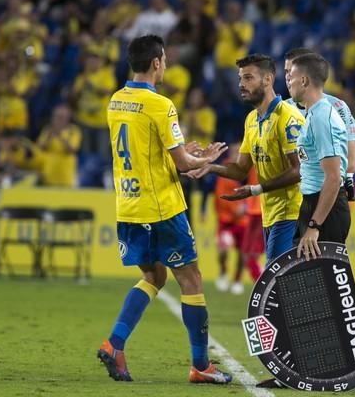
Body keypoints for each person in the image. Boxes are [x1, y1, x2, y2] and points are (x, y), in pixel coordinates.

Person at [98, 34, 231, 385]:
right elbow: (183, 164)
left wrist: (181, 154)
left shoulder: (116, 101)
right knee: (192, 279)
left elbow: (147, 151)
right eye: (165, 60)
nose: (167, 66)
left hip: (129, 207)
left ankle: (114, 344)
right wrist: (204, 158)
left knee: (154, 276)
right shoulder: (161, 105)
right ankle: (201, 365)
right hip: (161, 208)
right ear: (157, 62)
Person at [184, 53, 304, 265]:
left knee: (274, 281)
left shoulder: (288, 117)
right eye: (240, 79)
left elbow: (298, 170)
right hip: (271, 213)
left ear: (267, 79)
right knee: (282, 284)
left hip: (293, 214)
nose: (241, 84)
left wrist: (256, 189)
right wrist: (210, 166)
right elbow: (240, 169)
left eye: (248, 78)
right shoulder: (251, 119)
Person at [286, 53, 351, 259]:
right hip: (314, 204)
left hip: (325, 210)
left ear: (304, 80)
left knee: (326, 285)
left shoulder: (322, 118)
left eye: (291, 77)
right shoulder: (314, 114)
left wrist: (315, 225)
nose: (288, 82)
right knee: (309, 285)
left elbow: (333, 177)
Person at [283, 48, 355, 202]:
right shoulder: (281, 110)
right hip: (288, 200)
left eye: (292, 71)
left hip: (325, 196)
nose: (288, 77)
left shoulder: (337, 107)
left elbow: (350, 163)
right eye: (286, 72)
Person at [212, 142, 247, 295]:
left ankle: (237, 279)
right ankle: (223, 272)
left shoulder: (251, 169)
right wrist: (235, 209)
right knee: (222, 249)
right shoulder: (224, 171)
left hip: (244, 220)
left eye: (240, 152)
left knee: (243, 253)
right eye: (235, 152)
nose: (237, 155)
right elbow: (220, 197)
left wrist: (246, 207)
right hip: (226, 220)